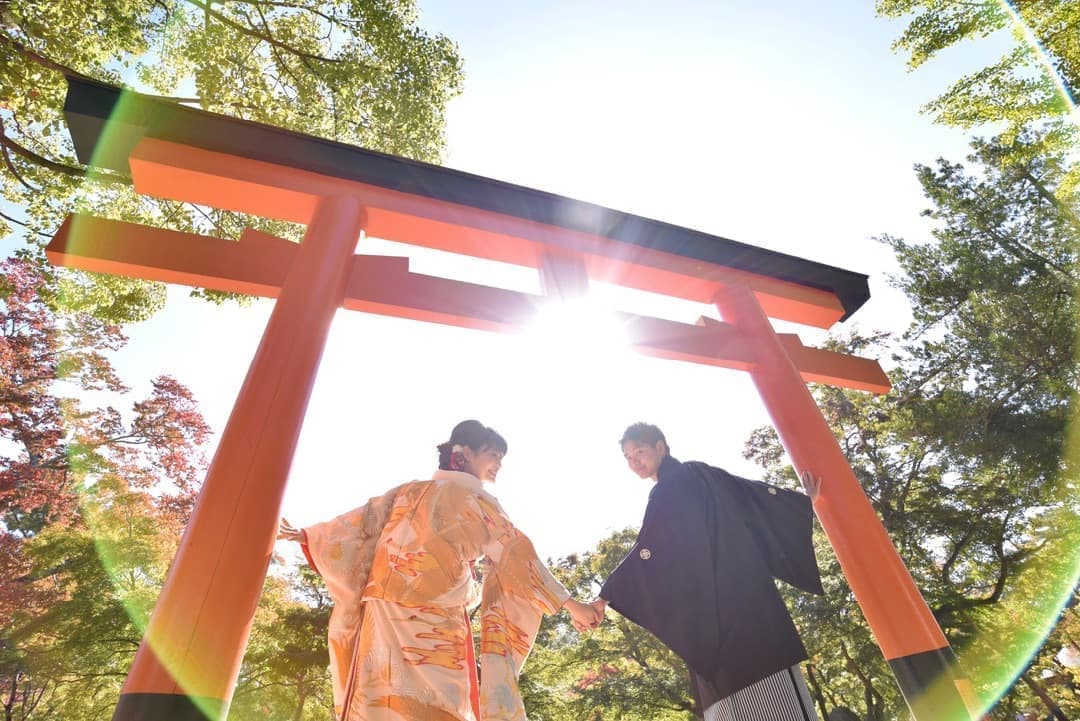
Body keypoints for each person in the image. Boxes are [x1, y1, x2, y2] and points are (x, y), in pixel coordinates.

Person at [278, 420, 599, 721]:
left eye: (502, 457)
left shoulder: (475, 500)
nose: (499, 463)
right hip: (384, 613)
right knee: (379, 699)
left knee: (435, 703)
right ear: (464, 453)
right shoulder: (418, 492)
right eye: (493, 454)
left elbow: (516, 555)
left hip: (431, 618)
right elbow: (364, 522)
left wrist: (570, 604)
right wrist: (306, 534)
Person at [588, 422, 824, 721]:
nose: (634, 461)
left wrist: (605, 597)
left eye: (640, 451)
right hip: (748, 605)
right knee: (767, 690)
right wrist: (799, 503)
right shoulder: (698, 476)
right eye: (628, 457)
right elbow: (749, 496)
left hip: (723, 616)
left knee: (740, 690)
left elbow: (650, 548)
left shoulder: (673, 486)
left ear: (661, 446)